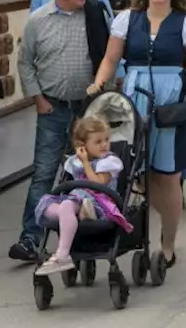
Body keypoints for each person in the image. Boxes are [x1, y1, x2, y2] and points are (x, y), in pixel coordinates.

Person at [90, 0, 186, 269]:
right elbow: (111, 58)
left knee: (167, 175)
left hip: (171, 101)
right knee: (131, 170)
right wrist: (99, 84)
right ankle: (127, 231)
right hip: (134, 97)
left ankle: (168, 243)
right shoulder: (128, 20)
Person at [9, 0, 111, 264]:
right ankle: (30, 238)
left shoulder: (94, 14)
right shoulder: (38, 21)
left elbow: (109, 54)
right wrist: (38, 99)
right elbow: (25, 62)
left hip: (88, 111)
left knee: (87, 173)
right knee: (43, 173)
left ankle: (87, 230)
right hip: (53, 108)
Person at [32, 118, 130, 277]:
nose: (104, 144)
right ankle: (75, 214)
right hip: (77, 199)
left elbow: (98, 183)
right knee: (47, 205)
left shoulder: (109, 162)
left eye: (106, 140)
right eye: (98, 142)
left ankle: (62, 254)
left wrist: (86, 164)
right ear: (82, 145)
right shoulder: (74, 162)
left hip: (100, 202)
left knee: (67, 206)